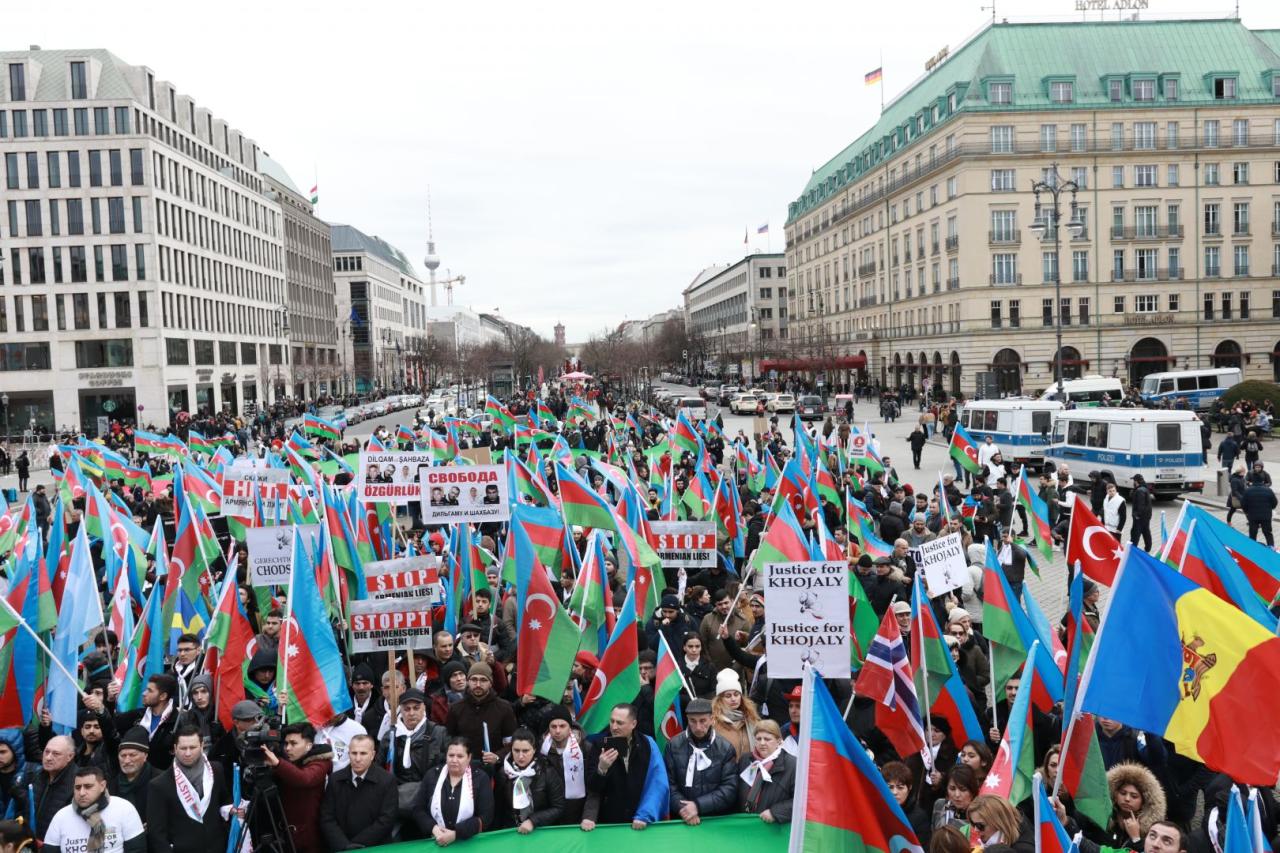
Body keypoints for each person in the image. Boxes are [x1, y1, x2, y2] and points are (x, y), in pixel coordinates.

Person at [581, 704, 668, 831]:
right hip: (608, 824)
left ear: (633, 724)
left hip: (640, 821)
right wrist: (601, 769)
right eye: (612, 721)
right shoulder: (599, 744)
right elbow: (592, 788)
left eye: (620, 723)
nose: (614, 727)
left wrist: (645, 815)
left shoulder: (648, 744)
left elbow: (658, 783)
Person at [146, 726, 230, 853]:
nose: (188, 753)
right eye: (183, 748)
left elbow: (225, 801)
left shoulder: (217, 770)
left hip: (217, 847)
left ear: (202, 746)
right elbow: (156, 833)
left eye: (193, 747)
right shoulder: (159, 785)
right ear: (175, 749)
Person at [258, 723, 332, 853]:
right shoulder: (288, 762)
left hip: (310, 839)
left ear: (309, 745)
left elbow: (305, 778)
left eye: (293, 743)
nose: (288, 748)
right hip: (284, 835)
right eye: (286, 743)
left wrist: (278, 763)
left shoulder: (321, 762)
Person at [664, 698, 738, 825]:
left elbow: (729, 789)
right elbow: (668, 784)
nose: (698, 727)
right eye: (693, 721)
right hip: (682, 818)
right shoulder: (673, 745)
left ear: (712, 719)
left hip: (715, 819)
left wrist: (698, 806)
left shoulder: (725, 748)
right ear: (687, 719)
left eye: (703, 721)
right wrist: (684, 809)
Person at [320, 734, 399, 851]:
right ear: (348, 754)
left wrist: (358, 845)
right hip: (341, 847)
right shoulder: (335, 779)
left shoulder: (387, 781)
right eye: (354, 753)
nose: (357, 759)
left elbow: (387, 819)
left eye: (363, 753)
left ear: (372, 755)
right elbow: (327, 817)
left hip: (375, 848)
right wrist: (344, 845)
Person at [42, 765, 145, 853]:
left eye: (88, 786)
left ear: (102, 786)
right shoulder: (61, 816)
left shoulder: (123, 808)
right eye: (77, 787)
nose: (82, 793)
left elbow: (137, 850)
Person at [412, 737, 494, 844]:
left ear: (469, 758)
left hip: (468, 843)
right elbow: (418, 809)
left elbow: (486, 817)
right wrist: (434, 828)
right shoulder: (432, 775)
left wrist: (456, 833)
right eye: (451, 755)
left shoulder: (480, 778)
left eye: (460, 756)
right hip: (435, 840)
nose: (454, 760)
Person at [445, 663, 516, 770]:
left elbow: (512, 742)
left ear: (491, 683)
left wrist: (497, 756)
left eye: (483, 680)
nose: (478, 684)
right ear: (468, 681)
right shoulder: (456, 708)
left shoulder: (504, 708)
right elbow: (449, 740)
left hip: (494, 769)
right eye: (474, 679)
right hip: (464, 768)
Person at [493, 728, 565, 832]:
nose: (520, 756)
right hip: (513, 831)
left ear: (534, 750)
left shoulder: (547, 772)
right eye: (516, 750)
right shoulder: (503, 773)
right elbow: (499, 810)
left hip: (542, 830)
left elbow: (559, 807)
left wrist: (533, 821)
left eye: (525, 751)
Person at [1085, 762, 1167, 849]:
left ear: (1144, 802)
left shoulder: (1152, 832)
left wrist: (1136, 839)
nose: (1127, 799)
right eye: (1123, 793)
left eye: (1134, 796)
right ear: (1115, 795)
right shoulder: (1098, 818)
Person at [12, 735, 77, 839]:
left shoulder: (78, 783)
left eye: (56, 754)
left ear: (70, 756)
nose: (48, 758)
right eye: (46, 752)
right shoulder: (35, 776)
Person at [114, 674, 179, 769]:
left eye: (150, 691)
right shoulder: (136, 715)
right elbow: (112, 729)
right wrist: (109, 703)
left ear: (163, 696)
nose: (144, 693)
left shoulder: (178, 721)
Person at [737, 720, 795, 825]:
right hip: (746, 826)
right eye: (759, 739)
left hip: (773, 829)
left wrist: (775, 812)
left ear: (779, 741)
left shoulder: (792, 764)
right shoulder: (745, 760)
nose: (762, 743)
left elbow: (801, 801)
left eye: (767, 739)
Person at [540, 706, 587, 824]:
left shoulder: (585, 749)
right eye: (553, 726)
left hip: (577, 811)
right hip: (549, 811)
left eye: (562, 726)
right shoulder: (541, 749)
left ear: (570, 728)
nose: (557, 731)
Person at [711, 669, 762, 760]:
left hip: (749, 769)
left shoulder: (752, 719)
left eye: (736, 694)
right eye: (728, 696)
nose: (733, 699)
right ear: (720, 699)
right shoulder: (713, 723)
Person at [108, 727, 155, 824]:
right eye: (123, 756)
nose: (127, 761)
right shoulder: (111, 785)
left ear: (145, 756)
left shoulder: (159, 781)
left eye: (132, 755)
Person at [965, 794, 1033, 850]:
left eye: (980, 826)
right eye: (973, 824)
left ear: (998, 823)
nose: (975, 830)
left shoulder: (1023, 849)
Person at [678, 633, 717, 699]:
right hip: (683, 707)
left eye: (697, 646)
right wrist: (689, 700)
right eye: (690, 646)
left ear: (701, 648)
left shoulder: (710, 666)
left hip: (705, 706)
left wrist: (698, 700)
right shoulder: (677, 667)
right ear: (684, 647)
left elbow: (714, 691)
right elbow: (674, 694)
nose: (694, 650)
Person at [1242, 473, 1278, 545]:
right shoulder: (1268, 490)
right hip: (1266, 516)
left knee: (1252, 534)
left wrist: (1247, 512)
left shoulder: (1248, 491)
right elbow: (1275, 502)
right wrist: (1270, 508)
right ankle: (1271, 549)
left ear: (1253, 480)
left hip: (1253, 516)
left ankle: (1252, 550)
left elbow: (1243, 504)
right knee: (1268, 534)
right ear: (1262, 480)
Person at [1129, 474, 1153, 552]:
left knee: (1135, 533)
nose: (1133, 482)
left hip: (1140, 517)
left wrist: (1137, 515)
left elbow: (1140, 505)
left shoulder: (1139, 491)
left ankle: (1133, 549)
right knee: (1146, 531)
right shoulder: (1144, 488)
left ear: (1136, 481)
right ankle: (1148, 548)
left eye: (1134, 481)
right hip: (1146, 516)